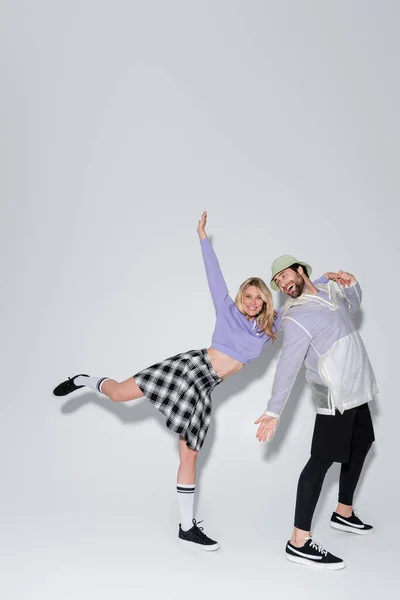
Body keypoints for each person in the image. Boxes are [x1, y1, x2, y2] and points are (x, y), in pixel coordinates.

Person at [53, 214, 328, 551]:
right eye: (248, 296)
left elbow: (305, 296)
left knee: (190, 455)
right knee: (120, 395)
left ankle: (186, 527)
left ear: (267, 302)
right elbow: (214, 275)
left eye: (259, 298)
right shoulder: (227, 310)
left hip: (204, 386)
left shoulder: (272, 326)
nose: (253, 302)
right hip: (189, 367)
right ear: (241, 297)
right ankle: (83, 379)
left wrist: (327, 279)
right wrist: (201, 237)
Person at [255, 255, 377, 570]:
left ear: (300, 270)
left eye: (284, 276)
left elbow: (351, 311)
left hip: (356, 386)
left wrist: (350, 286)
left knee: (361, 444)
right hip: (334, 394)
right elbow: (288, 365)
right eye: (278, 282)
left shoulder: (326, 294)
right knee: (320, 462)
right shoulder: (295, 316)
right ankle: (298, 542)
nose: (282, 284)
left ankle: (343, 513)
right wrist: (273, 410)